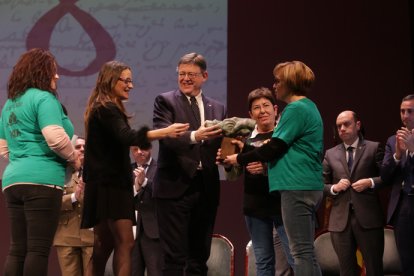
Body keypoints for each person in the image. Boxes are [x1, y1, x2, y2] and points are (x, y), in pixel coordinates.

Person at [80, 60, 189, 276]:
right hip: (111, 186)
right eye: (126, 80)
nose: (131, 85)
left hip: (102, 185)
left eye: (131, 81)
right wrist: (164, 131)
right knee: (125, 243)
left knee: (103, 246)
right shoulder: (107, 108)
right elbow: (127, 137)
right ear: (112, 80)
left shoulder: (101, 107)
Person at [223, 61, 323, 276]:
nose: (275, 85)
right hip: (301, 186)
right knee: (303, 254)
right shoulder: (307, 107)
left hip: (297, 186)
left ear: (290, 82)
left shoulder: (296, 109)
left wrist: (238, 158)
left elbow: (274, 148)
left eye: (278, 81)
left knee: (300, 254)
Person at [0, 48, 80, 276]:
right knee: (38, 249)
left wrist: (23, 158)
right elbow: (55, 137)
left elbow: (2, 146)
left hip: (13, 180)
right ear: (41, 71)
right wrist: (74, 158)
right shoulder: (44, 98)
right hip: (42, 182)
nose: (57, 76)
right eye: (54, 71)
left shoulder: (10, 104)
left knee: (17, 249)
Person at [152, 52, 225, 275]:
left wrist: (230, 155)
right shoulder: (165, 101)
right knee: (174, 258)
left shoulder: (218, 108)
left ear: (204, 76)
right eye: (181, 74)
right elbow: (165, 137)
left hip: (206, 188)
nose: (185, 79)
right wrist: (195, 136)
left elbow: (221, 144)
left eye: (191, 74)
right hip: (174, 188)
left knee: (199, 257)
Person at [218, 87, 293, 276]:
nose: (262, 111)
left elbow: (292, 166)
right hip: (255, 207)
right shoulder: (244, 138)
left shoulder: (285, 135)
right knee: (263, 261)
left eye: (266, 105)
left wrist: (266, 168)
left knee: (295, 258)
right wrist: (227, 162)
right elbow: (233, 175)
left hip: (283, 204)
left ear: (275, 109)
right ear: (251, 114)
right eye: (257, 108)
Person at [323, 110, 385, 276]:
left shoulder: (374, 147)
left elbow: (387, 178)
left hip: (368, 219)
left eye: (346, 124)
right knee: (346, 271)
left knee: (374, 269)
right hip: (340, 222)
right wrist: (334, 188)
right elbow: (320, 185)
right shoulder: (330, 153)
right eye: (338, 126)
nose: (342, 128)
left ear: (358, 125)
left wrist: (370, 182)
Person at [381, 94, 414, 275]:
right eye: (402, 111)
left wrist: (413, 150)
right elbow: (385, 176)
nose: (405, 115)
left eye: (410, 111)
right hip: (402, 206)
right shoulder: (393, 141)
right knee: (406, 261)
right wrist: (398, 155)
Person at [53, 136, 93, 276]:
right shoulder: (60, 173)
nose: (82, 149)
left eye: (84, 147)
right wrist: (74, 197)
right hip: (66, 235)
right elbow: (52, 202)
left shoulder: (97, 173)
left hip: (91, 234)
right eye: (77, 147)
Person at [130, 144, 162, 276]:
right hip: (131, 231)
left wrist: (144, 182)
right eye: (135, 149)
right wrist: (136, 187)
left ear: (150, 148)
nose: (139, 152)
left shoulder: (160, 168)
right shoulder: (126, 170)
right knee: (132, 271)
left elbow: (163, 192)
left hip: (153, 231)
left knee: (155, 272)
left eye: (142, 148)